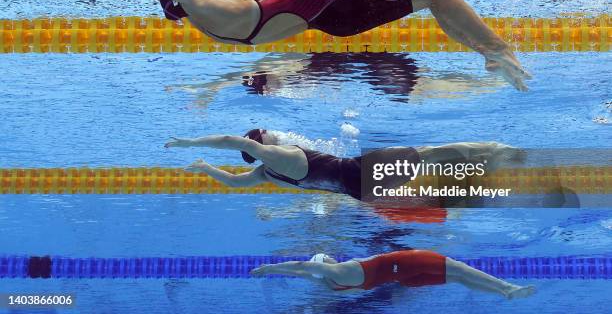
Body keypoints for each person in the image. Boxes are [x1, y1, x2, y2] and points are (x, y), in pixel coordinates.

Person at [71, 0, 531, 91]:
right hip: (340, 5)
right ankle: (495, 51)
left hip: (335, 8)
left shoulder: (203, 15)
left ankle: (488, 52)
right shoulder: (207, 6)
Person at [164, 129, 524, 200]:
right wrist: (188, 141)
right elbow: (232, 142)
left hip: (361, 192)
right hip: (358, 172)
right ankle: (494, 148)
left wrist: (205, 169)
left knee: (424, 167)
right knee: (427, 152)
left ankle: (481, 165)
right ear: (261, 146)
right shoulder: (277, 157)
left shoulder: (268, 174)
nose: (274, 132)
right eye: (266, 134)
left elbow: (234, 183)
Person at [250, 250, 535, 299]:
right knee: (459, 268)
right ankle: (506, 287)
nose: (329, 256)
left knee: (459, 279)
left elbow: (305, 275)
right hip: (403, 263)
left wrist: (277, 274)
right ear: (322, 262)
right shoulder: (335, 269)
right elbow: (302, 268)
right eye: (324, 257)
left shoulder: (332, 285)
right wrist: (269, 269)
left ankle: (504, 294)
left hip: (404, 279)